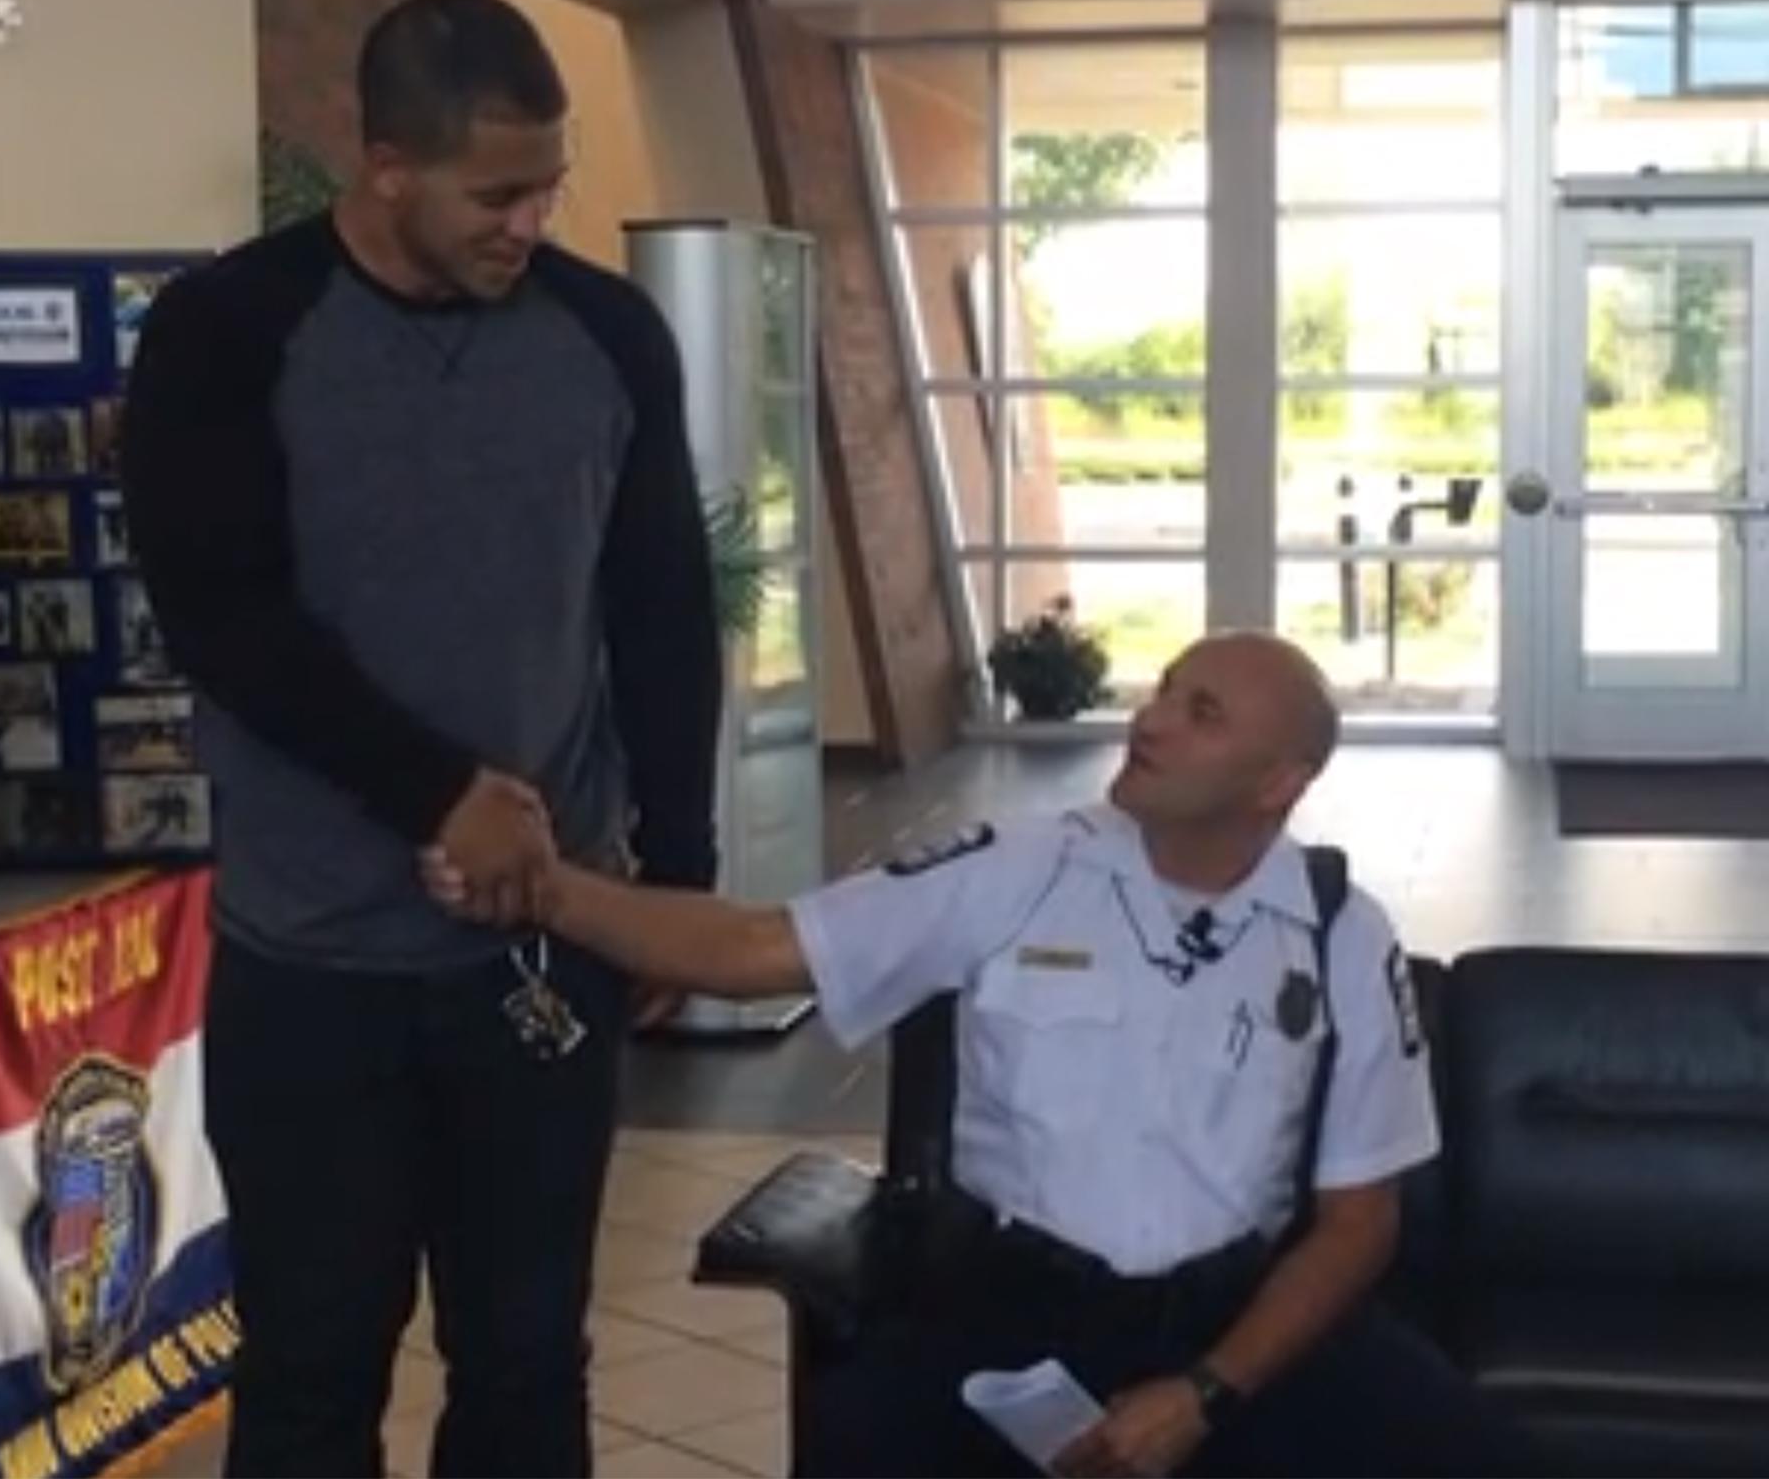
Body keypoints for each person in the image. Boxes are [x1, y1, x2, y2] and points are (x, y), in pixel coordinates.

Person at [426, 632, 1525, 1479]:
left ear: (1277, 782)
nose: (1149, 720)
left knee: (1468, 1457)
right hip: (1012, 1306)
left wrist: (1202, 1393)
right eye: (1161, 691)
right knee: (864, 1440)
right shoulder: (1018, 866)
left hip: (1228, 1324)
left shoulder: (1340, 932)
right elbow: (754, 949)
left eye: (1200, 713)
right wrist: (550, 888)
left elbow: (1357, 1223)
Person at [120, 0, 720, 1479]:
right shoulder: (228, 332)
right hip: (314, 965)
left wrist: (676, 888)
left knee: (526, 1364)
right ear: (383, 163)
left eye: (548, 187)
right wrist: (439, 793)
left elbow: (659, 606)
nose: (530, 221)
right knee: (317, 1364)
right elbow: (225, 615)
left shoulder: (607, 336)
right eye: (495, 191)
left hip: (545, 953)